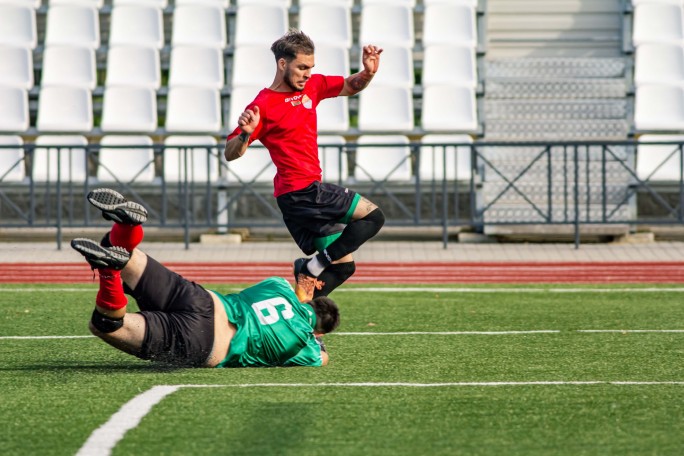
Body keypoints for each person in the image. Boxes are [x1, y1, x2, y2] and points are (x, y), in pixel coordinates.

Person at [70, 188, 340, 368]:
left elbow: (293, 297)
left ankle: (126, 226)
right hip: (206, 341)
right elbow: (323, 358)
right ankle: (107, 272)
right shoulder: (305, 343)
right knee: (106, 324)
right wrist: (315, 338)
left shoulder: (279, 286)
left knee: (120, 251)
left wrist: (302, 292)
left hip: (205, 301)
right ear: (317, 331)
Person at [224, 29, 386, 302]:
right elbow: (231, 153)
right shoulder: (262, 105)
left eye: (310, 67)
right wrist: (244, 134)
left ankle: (304, 320)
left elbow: (350, 85)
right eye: (301, 67)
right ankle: (311, 266)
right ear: (282, 64)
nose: (307, 74)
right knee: (374, 217)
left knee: (344, 266)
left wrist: (367, 73)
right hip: (303, 192)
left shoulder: (313, 86)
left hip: (298, 198)